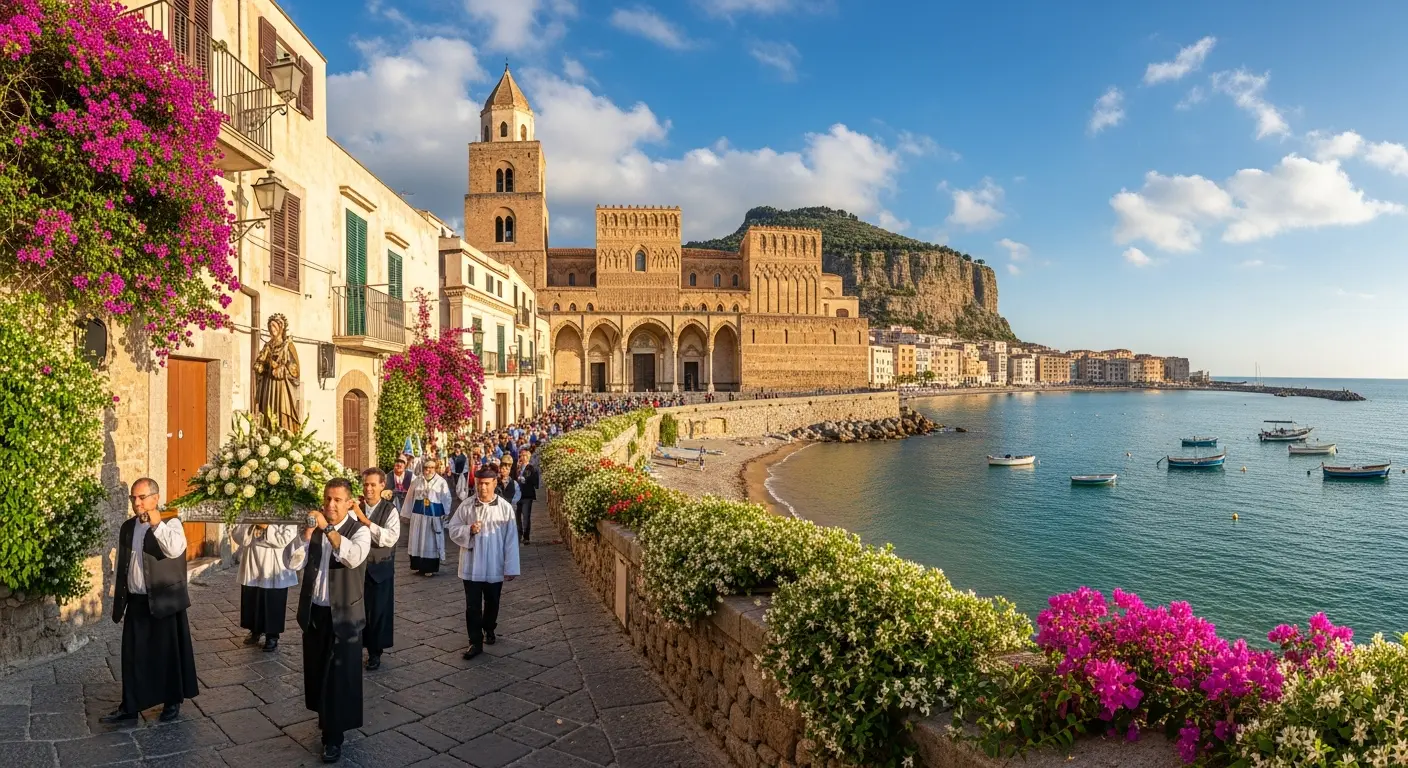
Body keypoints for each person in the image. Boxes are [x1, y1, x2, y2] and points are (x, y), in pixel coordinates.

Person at [101, 478, 198, 724]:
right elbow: (125, 563)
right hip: (136, 601)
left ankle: (171, 701)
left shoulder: (171, 523)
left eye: (142, 497)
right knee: (133, 656)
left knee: (167, 654)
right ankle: (130, 706)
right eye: (133, 498)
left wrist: (156, 523)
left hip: (164, 601)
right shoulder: (128, 527)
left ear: (155, 498)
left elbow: (175, 549)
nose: (137, 502)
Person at [288, 479, 371, 764]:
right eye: (327, 499)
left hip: (344, 614)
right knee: (317, 670)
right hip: (316, 612)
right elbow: (292, 562)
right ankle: (325, 717)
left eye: (337, 500)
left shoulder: (360, 531)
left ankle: (334, 737)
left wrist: (328, 529)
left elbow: (352, 556)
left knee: (339, 676)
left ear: (350, 503)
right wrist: (305, 535)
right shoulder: (316, 530)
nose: (330, 505)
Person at [446, 465, 520, 660]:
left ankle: (489, 627)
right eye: (479, 484)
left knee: (492, 601)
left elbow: (511, 539)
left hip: (494, 564)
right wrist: (468, 530)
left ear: (495, 483)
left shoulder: (504, 508)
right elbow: (453, 527)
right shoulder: (467, 505)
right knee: (472, 606)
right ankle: (474, 642)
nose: (483, 488)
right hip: (471, 564)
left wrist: (510, 567)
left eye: (487, 484)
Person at [352, 468, 400, 670]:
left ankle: (375, 652)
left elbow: (390, 537)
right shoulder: (355, 507)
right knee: (356, 611)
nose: (369, 489)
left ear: (382, 486)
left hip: (380, 568)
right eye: (366, 484)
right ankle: (354, 649)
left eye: (373, 484)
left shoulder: (390, 510)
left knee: (378, 611)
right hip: (357, 569)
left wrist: (365, 522)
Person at [231, 522, 298, 652]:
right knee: (252, 597)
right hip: (253, 558)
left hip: (273, 562)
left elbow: (285, 538)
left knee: (273, 599)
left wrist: (266, 527)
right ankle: (255, 629)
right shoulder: (251, 508)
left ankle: (272, 635)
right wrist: (250, 523)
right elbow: (237, 536)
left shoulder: (287, 510)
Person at [401, 457, 451, 577]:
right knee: (417, 540)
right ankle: (418, 566)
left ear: (435, 469)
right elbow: (409, 497)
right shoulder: (417, 481)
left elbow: (446, 499)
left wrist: (445, 514)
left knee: (430, 541)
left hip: (433, 515)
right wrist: (406, 514)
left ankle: (429, 567)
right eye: (426, 468)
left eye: (431, 468)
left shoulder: (441, 482)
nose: (428, 470)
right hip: (418, 515)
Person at [514, 449, 539, 546]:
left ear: (528, 457)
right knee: (517, 517)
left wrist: (525, 479)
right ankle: (519, 535)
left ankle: (526, 536)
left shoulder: (531, 468)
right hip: (517, 495)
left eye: (524, 456)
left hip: (527, 495)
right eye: (521, 455)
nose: (522, 457)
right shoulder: (518, 467)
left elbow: (534, 482)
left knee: (526, 517)